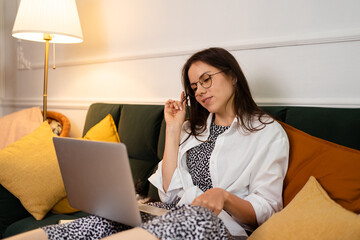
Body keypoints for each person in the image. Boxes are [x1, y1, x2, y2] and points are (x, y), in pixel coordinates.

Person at [7, 47, 289, 240]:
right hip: (172, 213)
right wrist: (174, 129)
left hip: (219, 228)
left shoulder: (268, 133)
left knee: (200, 219)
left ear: (233, 76)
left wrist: (224, 197)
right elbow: (168, 195)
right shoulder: (196, 129)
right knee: (104, 221)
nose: (200, 91)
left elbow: (266, 208)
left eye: (207, 80)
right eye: (194, 86)